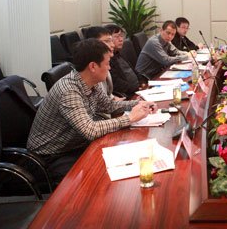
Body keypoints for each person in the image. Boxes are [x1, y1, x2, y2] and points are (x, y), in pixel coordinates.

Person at [27, 39, 156, 183]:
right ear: (93, 66)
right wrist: (129, 118)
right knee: (100, 175)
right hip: (51, 156)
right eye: (107, 64)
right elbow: (90, 130)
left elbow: (108, 105)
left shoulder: (91, 81)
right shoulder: (69, 91)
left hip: (74, 145)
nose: (109, 68)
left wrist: (138, 104)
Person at [104, 24, 143, 97]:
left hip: (138, 90)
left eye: (121, 36)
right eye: (116, 36)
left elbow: (132, 70)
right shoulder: (108, 60)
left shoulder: (119, 53)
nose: (121, 39)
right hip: (128, 94)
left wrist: (142, 83)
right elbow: (116, 83)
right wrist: (136, 89)